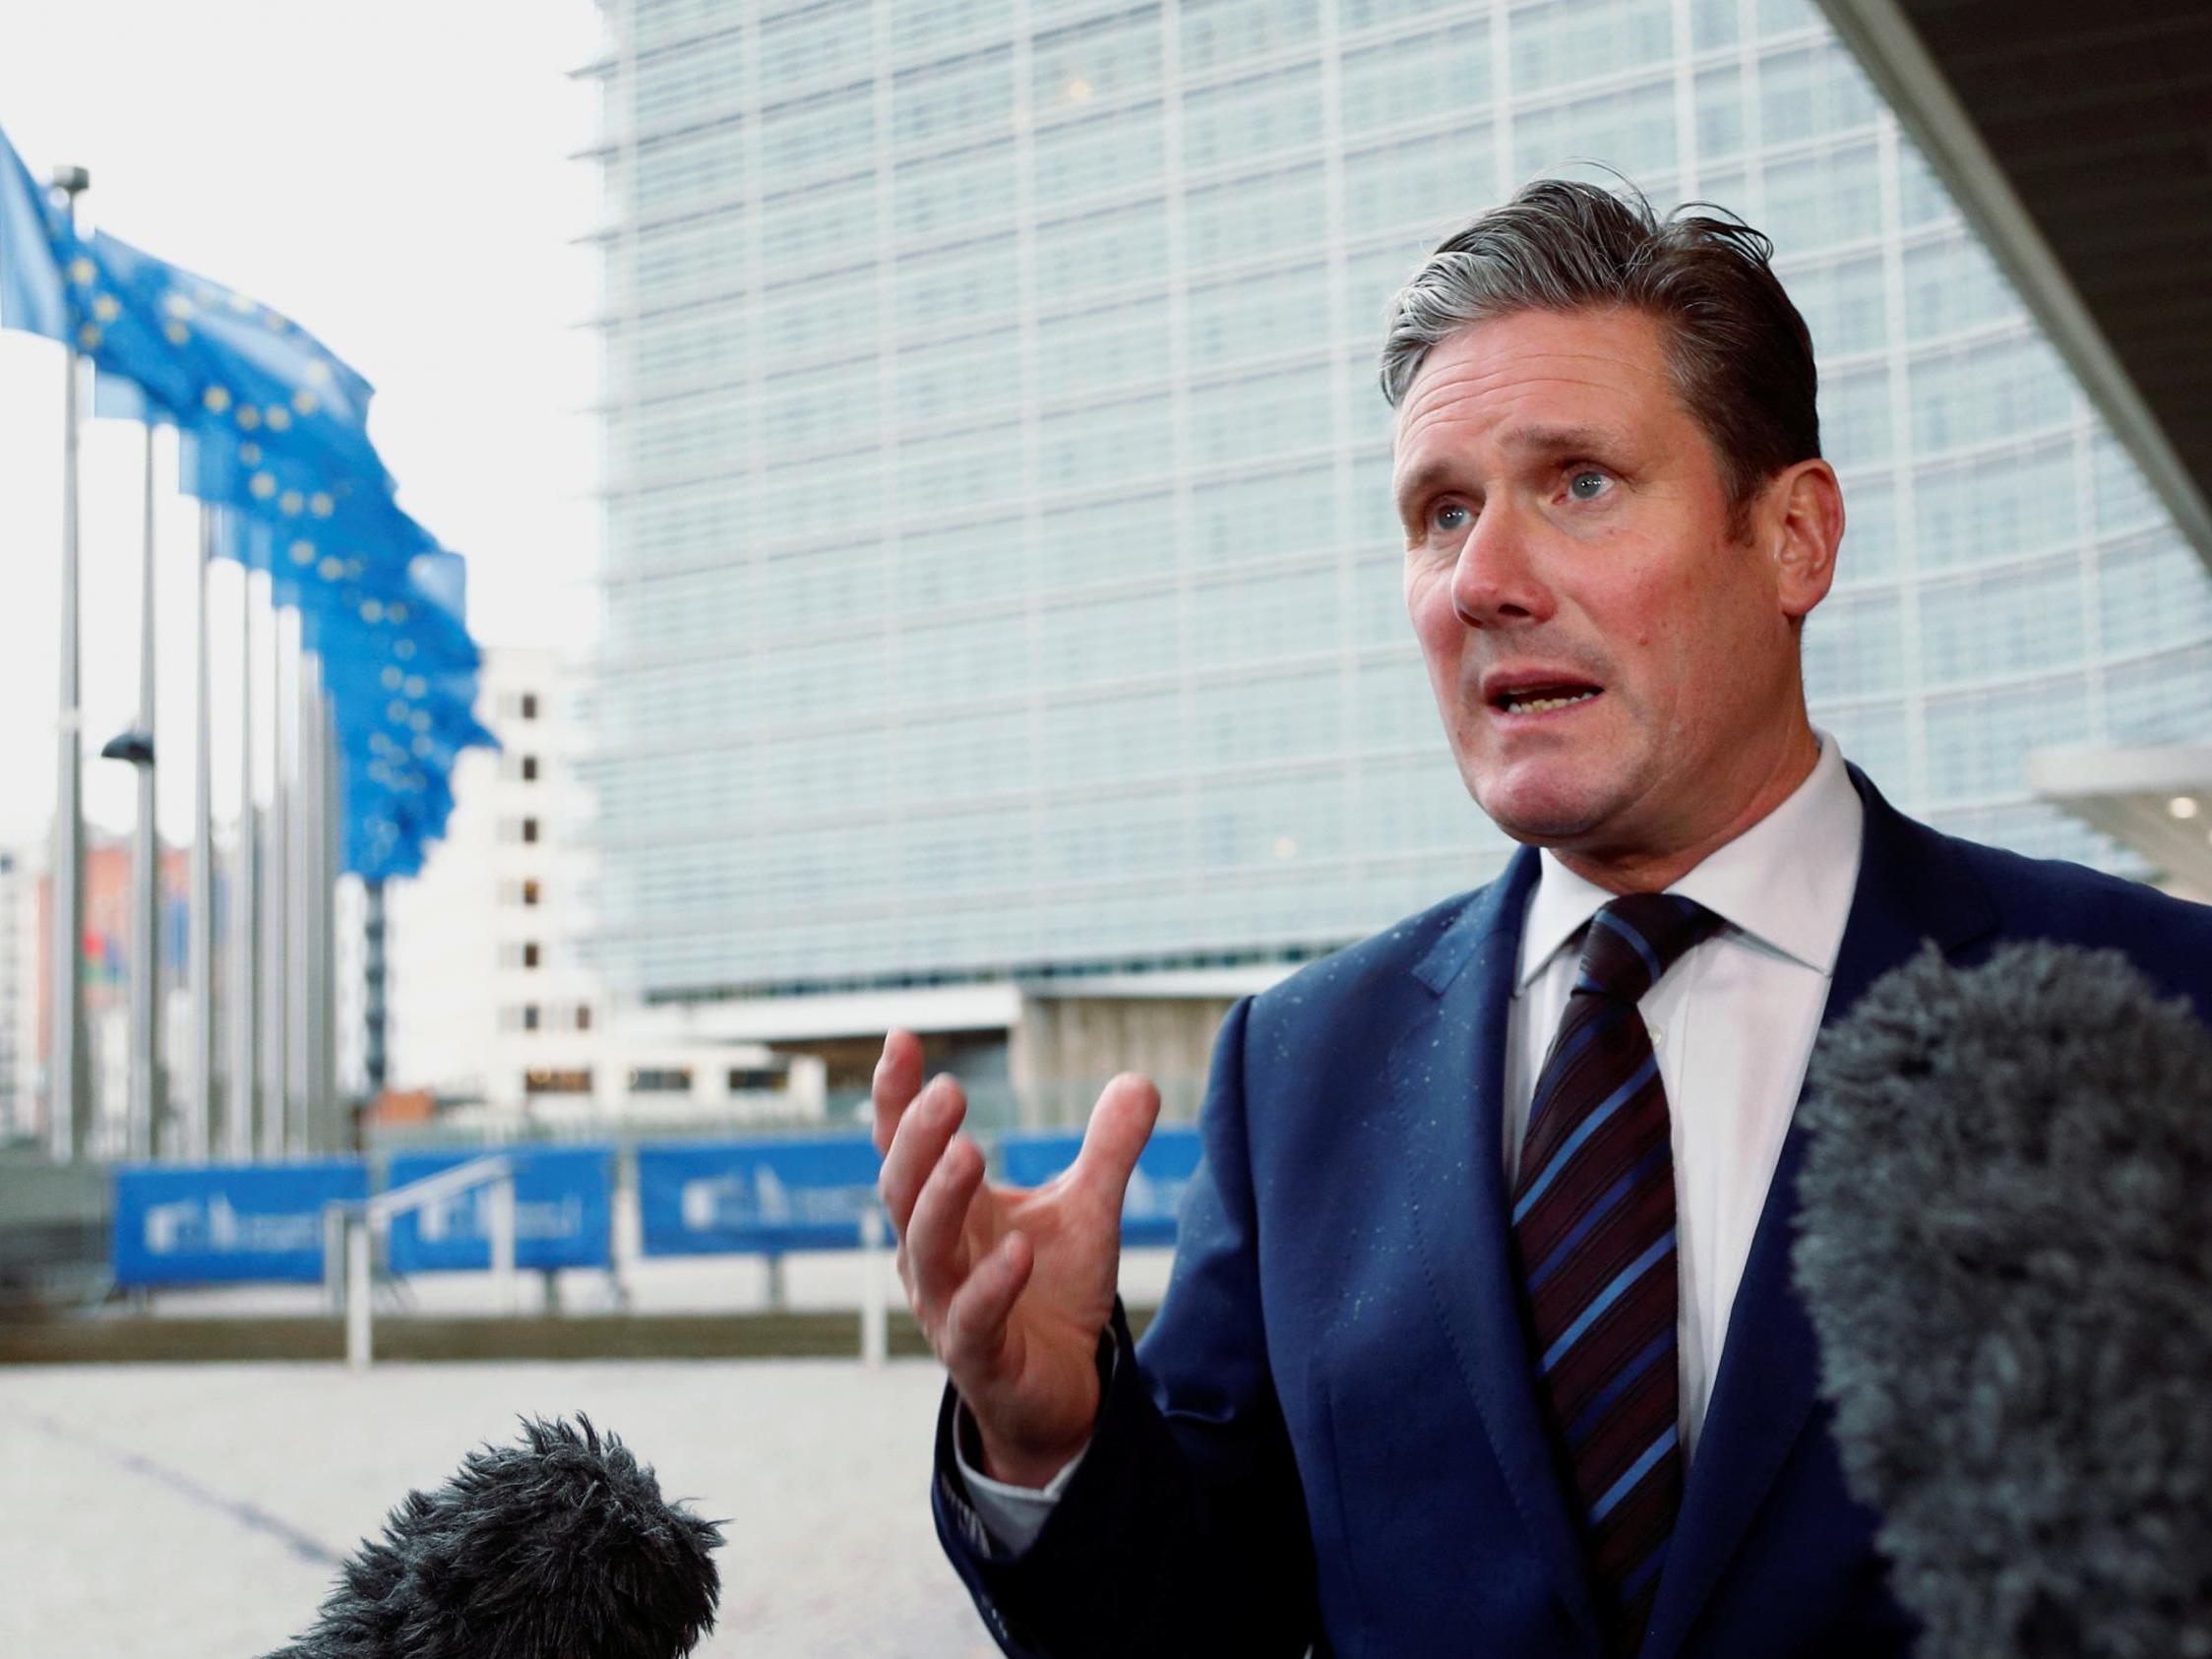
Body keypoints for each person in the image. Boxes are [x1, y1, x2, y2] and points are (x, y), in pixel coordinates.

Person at [871, 180, 2212, 1657]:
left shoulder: (2158, 1003)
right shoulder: (1299, 1069)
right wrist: (1053, 1442)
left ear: (1793, 540)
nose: (1484, 581)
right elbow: (1202, 1626)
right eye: (1440, 512)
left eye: (1577, 481)